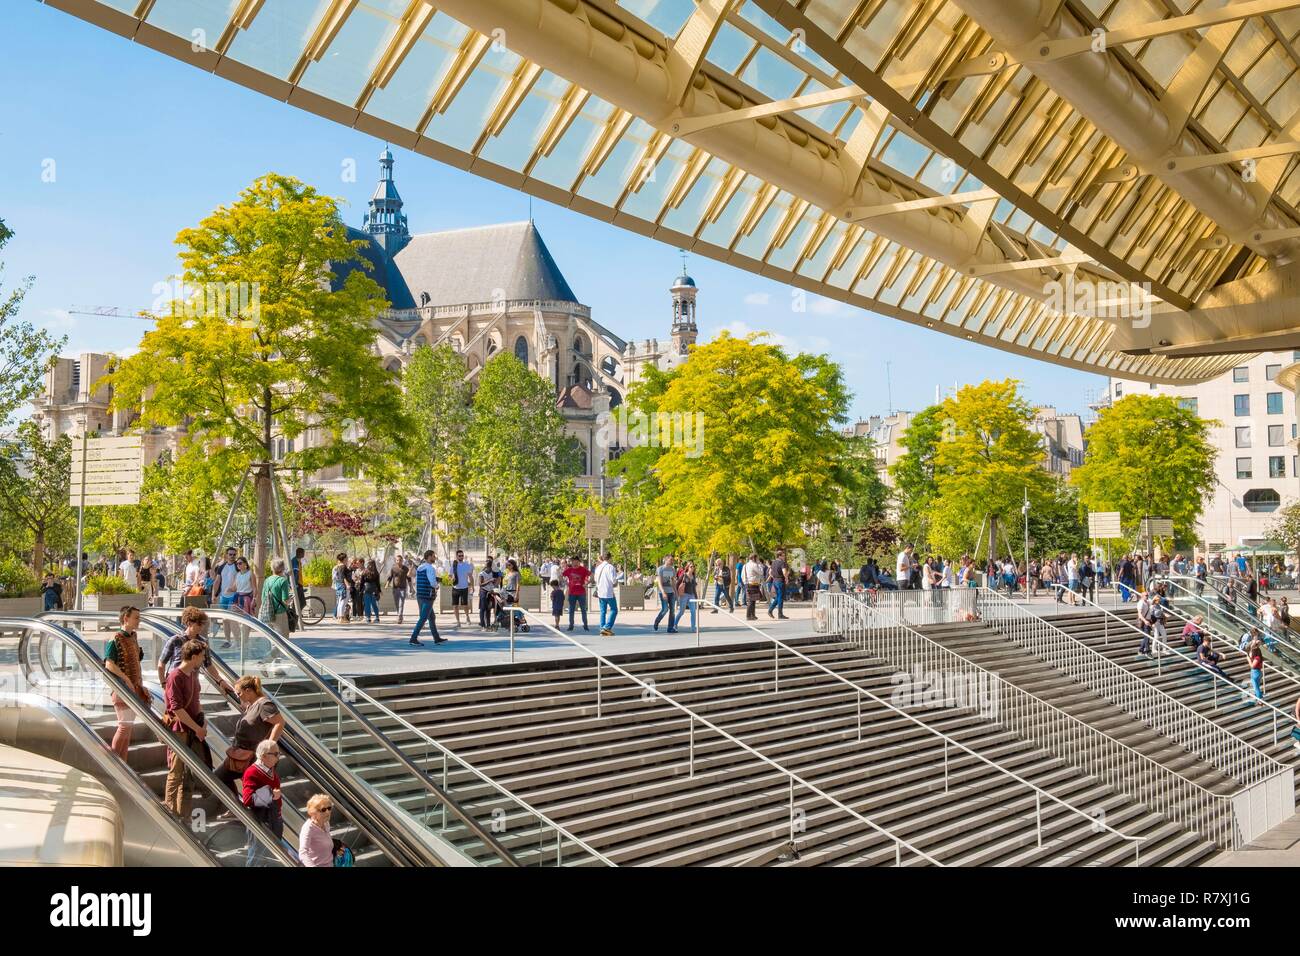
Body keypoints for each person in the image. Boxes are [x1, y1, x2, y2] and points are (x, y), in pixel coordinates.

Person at [163, 640, 209, 820]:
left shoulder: (193, 675)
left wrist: (202, 722)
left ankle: (184, 815)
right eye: (202, 656)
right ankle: (170, 810)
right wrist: (197, 728)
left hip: (193, 728)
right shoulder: (175, 676)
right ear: (194, 656)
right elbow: (176, 708)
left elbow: (197, 701)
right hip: (179, 730)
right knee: (176, 772)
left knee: (189, 776)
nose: (204, 659)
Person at [216, 674, 284, 793]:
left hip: (253, 757)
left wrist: (269, 746)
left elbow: (280, 722)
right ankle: (234, 805)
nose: (237, 696)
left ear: (248, 691)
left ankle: (239, 808)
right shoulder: (252, 705)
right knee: (218, 778)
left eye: (239, 693)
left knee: (254, 792)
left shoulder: (264, 705)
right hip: (239, 755)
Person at [103, 606, 150, 762]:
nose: (139, 620)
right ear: (126, 618)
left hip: (134, 689)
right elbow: (109, 664)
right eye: (136, 617)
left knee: (128, 728)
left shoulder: (133, 637)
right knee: (124, 726)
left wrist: (140, 684)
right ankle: (114, 764)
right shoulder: (115, 638)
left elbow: (137, 663)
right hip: (122, 690)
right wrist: (127, 679)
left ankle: (123, 764)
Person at [158, 605, 235, 697]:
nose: (201, 627)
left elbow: (208, 665)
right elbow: (161, 664)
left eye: (203, 624)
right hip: (175, 683)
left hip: (192, 684)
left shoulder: (202, 642)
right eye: (199, 624)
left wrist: (220, 681)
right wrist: (163, 684)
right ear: (189, 623)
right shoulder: (175, 640)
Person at [241, 739, 283, 867]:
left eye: (278, 753)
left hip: (274, 819)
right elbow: (248, 799)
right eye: (275, 754)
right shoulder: (252, 772)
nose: (278, 757)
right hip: (260, 821)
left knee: (271, 860)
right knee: (256, 859)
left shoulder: (272, 772)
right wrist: (271, 794)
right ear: (264, 756)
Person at [410, 550, 445, 646]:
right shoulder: (431, 568)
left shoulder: (420, 567)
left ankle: (436, 638)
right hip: (428, 596)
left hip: (420, 595)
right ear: (429, 557)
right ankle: (413, 638)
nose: (435, 558)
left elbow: (417, 581)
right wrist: (437, 586)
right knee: (423, 618)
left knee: (432, 617)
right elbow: (432, 582)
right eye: (433, 556)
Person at [259, 559, 294, 640]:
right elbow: (285, 600)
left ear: (272, 568)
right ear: (283, 568)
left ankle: (272, 652)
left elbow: (263, 597)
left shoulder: (267, 580)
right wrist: (290, 599)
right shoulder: (283, 581)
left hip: (267, 613)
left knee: (273, 639)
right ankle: (271, 653)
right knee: (283, 640)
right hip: (279, 613)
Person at [299, 793, 335, 868]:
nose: (328, 812)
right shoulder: (308, 828)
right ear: (313, 812)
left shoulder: (326, 823)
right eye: (323, 810)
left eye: (329, 808)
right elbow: (303, 853)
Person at [562, 555, 591, 632]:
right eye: (573, 562)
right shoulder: (569, 570)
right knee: (571, 610)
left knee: (583, 609)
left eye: (576, 562)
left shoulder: (583, 569)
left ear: (579, 562)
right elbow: (562, 575)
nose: (574, 563)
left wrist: (587, 583)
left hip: (581, 592)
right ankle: (571, 625)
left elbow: (592, 575)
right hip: (572, 592)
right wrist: (566, 582)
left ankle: (585, 625)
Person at [594, 553, 618, 636]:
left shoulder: (598, 567)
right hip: (608, 592)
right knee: (614, 609)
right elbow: (614, 581)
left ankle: (602, 628)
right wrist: (616, 583)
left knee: (603, 611)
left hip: (600, 592)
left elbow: (595, 579)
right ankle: (607, 627)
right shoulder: (611, 567)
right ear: (610, 558)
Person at [653, 555, 678, 633]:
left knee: (672, 610)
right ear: (666, 560)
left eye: (672, 560)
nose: (672, 561)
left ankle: (670, 628)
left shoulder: (673, 570)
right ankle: (657, 621)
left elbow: (673, 582)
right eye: (670, 560)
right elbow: (659, 582)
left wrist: (676, 592)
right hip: (663, 592)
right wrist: (663, 592)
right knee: (665, 609)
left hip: (671, 592)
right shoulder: (660, 569)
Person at [450, 549, 473, 627]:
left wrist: (472, 586)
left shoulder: (467, 565)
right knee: (455, 605)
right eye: (459, 556)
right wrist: (451, 578)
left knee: (465, 605)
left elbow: (470, 576)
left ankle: (467, 617)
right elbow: (450, 575)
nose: (461, 557)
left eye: (462, 555)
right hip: (455, 587)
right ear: (456, 556)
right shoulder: (453, 565)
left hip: (464, 587)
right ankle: (458, 621)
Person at [674, 561, 699, 632]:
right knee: (681, 612)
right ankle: (675, 624)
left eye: (694, 566)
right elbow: (677, 584)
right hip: (684, 595)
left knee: (693, 612)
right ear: (687, 567)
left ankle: (693, 627)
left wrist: (696, 597)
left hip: (691, 595)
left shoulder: (693, 576)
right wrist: (677, 595)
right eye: (691, 566)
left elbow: (694, 588)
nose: (693, 568)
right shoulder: (684, 575)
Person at [387, 554, 410, 625]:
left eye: (400, 560)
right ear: (395, 561)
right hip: (395, 588)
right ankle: (399, 615)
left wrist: (411, 588)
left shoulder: (405, 569)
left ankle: (399, 616)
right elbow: (390, 577)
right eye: (397, 560)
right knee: (397, 603)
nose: (398, 561)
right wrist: (387, 584)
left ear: (402, 561)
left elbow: (409, 579)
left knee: (401, 603)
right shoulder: (393, 568)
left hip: (403, 588)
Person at [767, 549, 789, 620]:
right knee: (780, 598)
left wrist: (774, 577)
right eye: (783, 555)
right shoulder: (782, 563)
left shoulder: (773, 562)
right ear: (780, 556)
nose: (784, 556)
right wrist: (786, 578)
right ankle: (780, 614)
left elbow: (770, 572)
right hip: (780, 581)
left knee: (778, 597)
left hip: (775, 581)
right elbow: (784, 572)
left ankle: (770, 610)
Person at [743, 552, 764, 620]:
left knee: (752, 600)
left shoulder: (745, 565)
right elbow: (761, 572)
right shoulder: (754, 565)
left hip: (748, 583)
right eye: (757, 558)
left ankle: (752, 615)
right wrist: (760, 564)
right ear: (754, 558)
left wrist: (745, 582)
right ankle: (749, 616)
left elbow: (742, 575)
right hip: (753, 584)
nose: (758, 559)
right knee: (751, 601)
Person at [1245, 635, 1266, 703]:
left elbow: (1252, 666)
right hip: (1256, 672)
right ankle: (1260, 698)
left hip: (1256, 673)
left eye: (1253, 651)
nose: (1252, 652)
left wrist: (1248, 660)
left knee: (1256, 687)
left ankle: (1260, 700)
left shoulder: (1257, 658)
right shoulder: (1256, 657)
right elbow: (1250, 650)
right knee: (1257, 687)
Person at [361, 559, 382, 624]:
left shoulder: (364, 572)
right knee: (374, 604)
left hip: (366, 589)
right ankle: (377, 618)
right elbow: (378, 583)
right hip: (374, 590)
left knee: (367, 604)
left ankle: (368, 618)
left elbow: (362, 582)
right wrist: (379, 591)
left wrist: (360, 590)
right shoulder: (376, 573)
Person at [331, 553, 350, 622]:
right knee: (343, 601)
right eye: (347, 558)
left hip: (339, 585)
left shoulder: (338, 566)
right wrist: (347, 584)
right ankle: (341, 617)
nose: (347, 559)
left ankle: (339, 617)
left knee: (340, 601)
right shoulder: (343, 567)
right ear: (344, 559)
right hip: (343, 585)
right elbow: (343, 577)